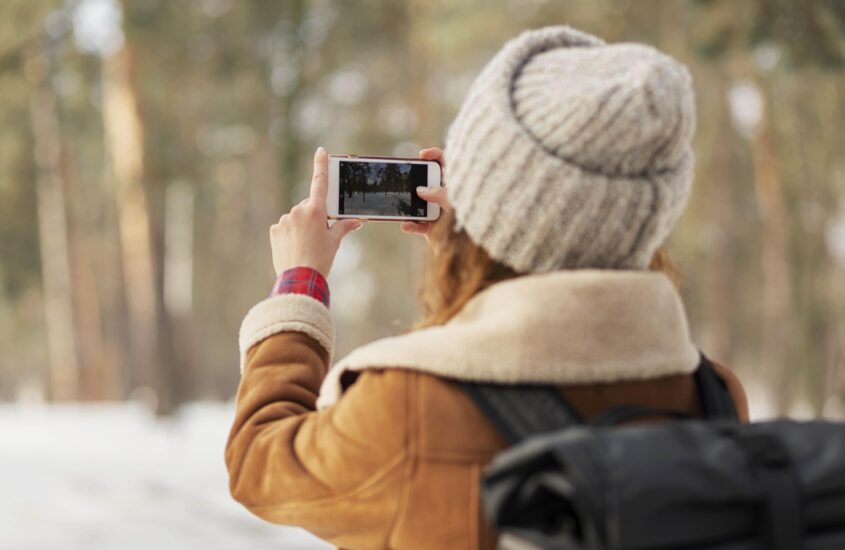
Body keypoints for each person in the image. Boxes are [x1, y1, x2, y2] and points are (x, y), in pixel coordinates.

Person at [225, 25, 748, 549]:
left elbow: (261, 461)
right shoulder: (714, 398)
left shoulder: (408, 406)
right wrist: (473, 254)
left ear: (492, 199)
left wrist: (299, 283)